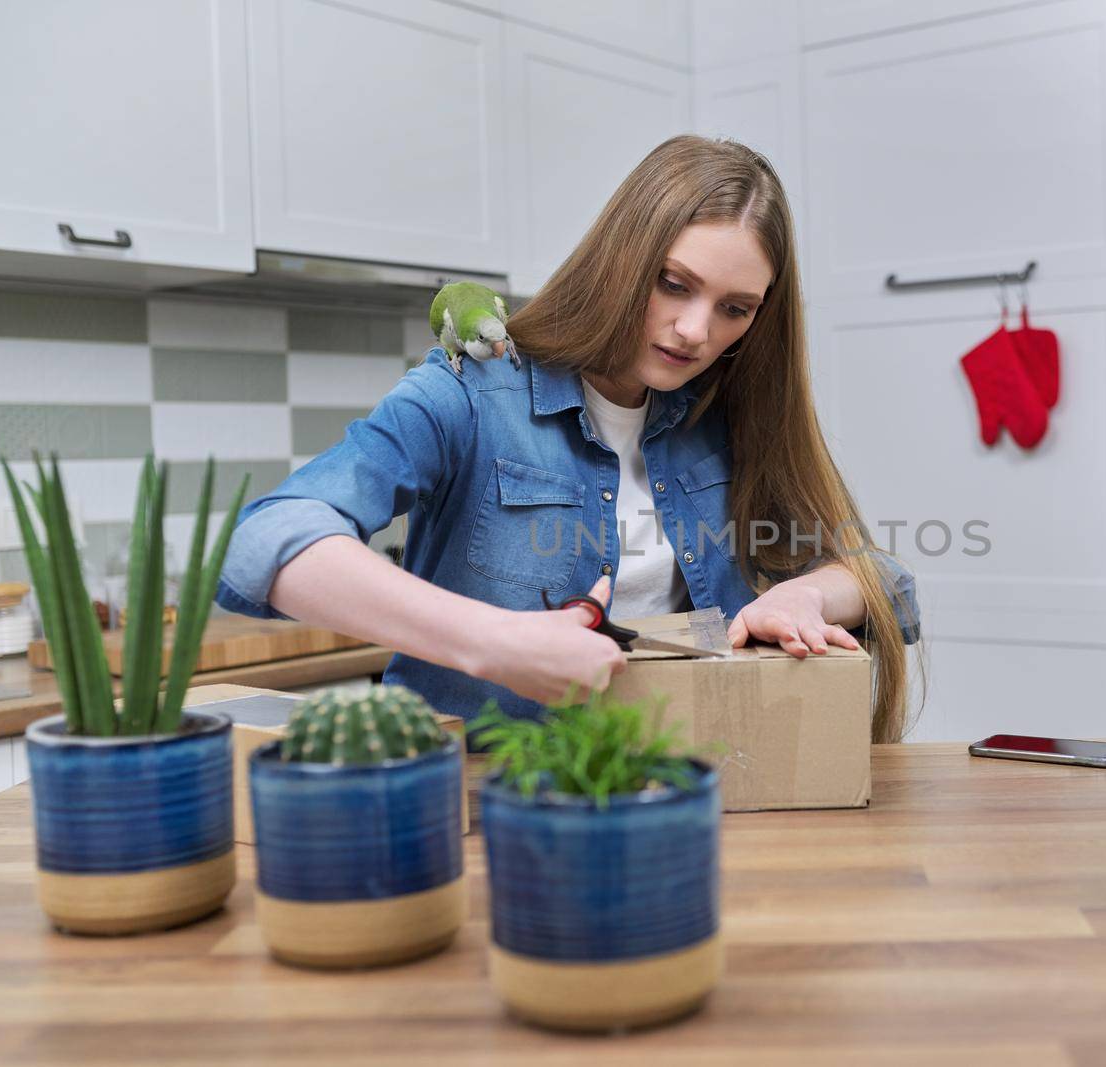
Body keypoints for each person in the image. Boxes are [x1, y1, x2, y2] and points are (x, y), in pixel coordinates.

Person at [217, 135, 922, 742]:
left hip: (688, 786)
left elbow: (885, 581)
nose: (696, 331)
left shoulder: (722, 415)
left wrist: (809, 596)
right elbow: (264, 540)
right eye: (675, 284)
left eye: (734, 309)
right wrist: (495, 642)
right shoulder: (472, 393)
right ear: (621, 256)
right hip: (482, 805)